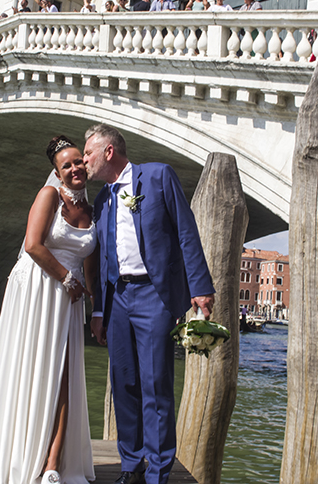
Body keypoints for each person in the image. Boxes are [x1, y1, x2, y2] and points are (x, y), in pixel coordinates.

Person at [84, 123, 215, 484]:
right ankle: (131, 464)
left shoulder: (158, 177)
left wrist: (200, 287)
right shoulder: (102, 200)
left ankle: (158, 471)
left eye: (89, 153)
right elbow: (102, 259)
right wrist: (98, 309)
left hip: (153, 296)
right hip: (118, 300)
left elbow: (186, 231)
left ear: (109, 152)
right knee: (123, 382)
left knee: (156, 383)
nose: (85, 161)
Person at [0, 136, 96, 484]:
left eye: (77, 162)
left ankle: (53, 462)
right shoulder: (48, 196)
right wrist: (69, 281)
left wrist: (97, 308)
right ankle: (19, 455)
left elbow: (91, 266)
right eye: (65, 165)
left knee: (65, 377)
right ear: (57, 173)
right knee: (31, 369)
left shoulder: (92, 210)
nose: (73, 169)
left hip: (70, 299)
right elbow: (33, 245)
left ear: (86, 164)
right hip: (40, 288)